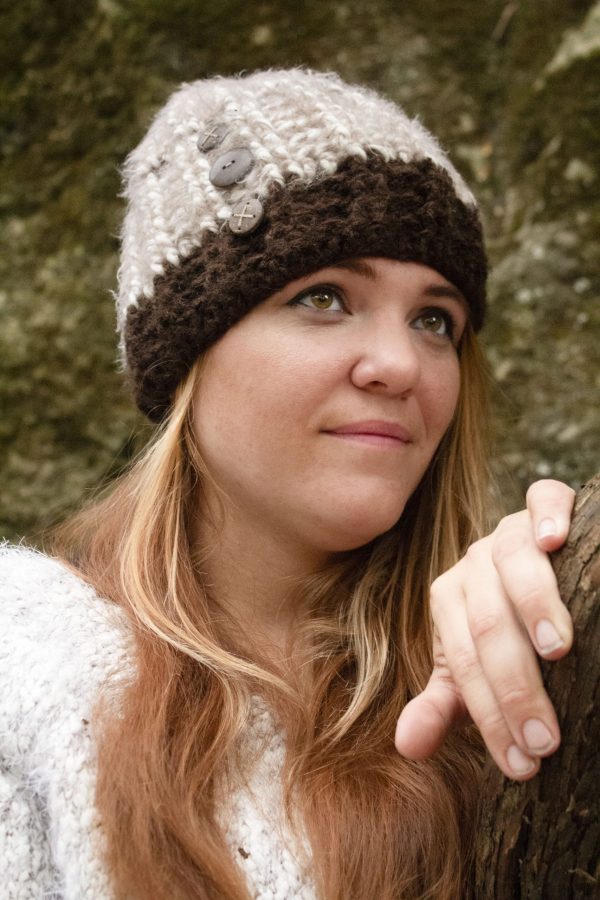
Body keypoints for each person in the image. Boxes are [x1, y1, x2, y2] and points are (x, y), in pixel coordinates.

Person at [0, 68, 575, 900]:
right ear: (190, 357)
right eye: (325, 297)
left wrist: (573, 615)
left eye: (433, 319)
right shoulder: (27, 673)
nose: (400, 365)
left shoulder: (491, 683)